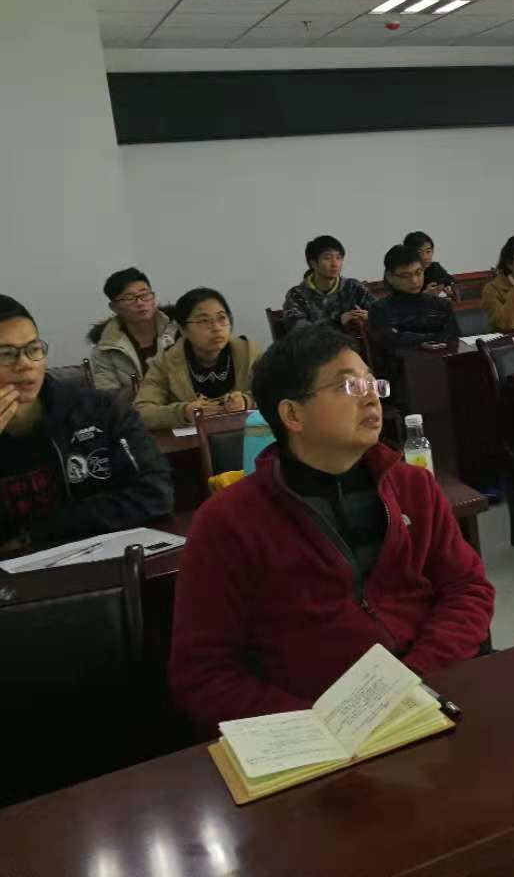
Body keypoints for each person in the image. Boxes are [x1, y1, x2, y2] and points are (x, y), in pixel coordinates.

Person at [168, 324, 495, 731]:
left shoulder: (413, 486)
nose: (370, 396)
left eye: (370, 382)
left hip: (429, 694)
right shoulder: (227, 521)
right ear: (292, 415)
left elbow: (467, 588)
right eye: (347, 386)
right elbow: (202, 673)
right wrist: (316, 722)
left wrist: (412, 678)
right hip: (312, 727)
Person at [0, 296, 172, 553]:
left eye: (33, 349)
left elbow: (155, 493)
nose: (25, 364)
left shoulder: (99, 410)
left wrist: (38, 535)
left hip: (100, 561)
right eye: (6, 354)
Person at [134, 288, 258, 430]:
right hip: (191, 441)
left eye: (222, 318)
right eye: (204, 321)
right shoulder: (165, 362)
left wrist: (246, 401)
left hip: (246, 436)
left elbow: (275, 392)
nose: (216, 328)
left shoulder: (248, 351)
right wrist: (184, 412)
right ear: (183, 329)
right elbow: (142, 412)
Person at [87, 267, 180, 393]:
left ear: (153, 297)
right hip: (134, 405)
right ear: (114, 307)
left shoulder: (180, 331)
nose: (140, 303)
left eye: (145, 295)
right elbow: (108, 397)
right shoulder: (104, 350)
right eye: (129, 298)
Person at [369, 245, 461, 347]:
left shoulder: (441, 305)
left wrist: (407, 336)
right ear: (390, 277)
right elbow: (390, 342)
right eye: (405, 276)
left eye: (418, 273)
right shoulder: (380, 309)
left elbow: (453, 338)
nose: (414, 280)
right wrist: (433, 337)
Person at [282, 235, 378, 332]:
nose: (335, 264)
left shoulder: (353, 287)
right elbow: (297, 329)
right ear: (313, 263)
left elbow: (381, 311)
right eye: (327, 258)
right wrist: (337, 321)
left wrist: (371, 317)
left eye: (338, 258)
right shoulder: (297, 295)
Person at [402, 231, 455, 297]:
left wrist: (448, 286)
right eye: (419, 252)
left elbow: (448, 279)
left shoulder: (435, 267)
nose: (425, 257)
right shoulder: (403, 275)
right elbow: (402, 301)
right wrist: (425, 295)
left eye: (428, 251)